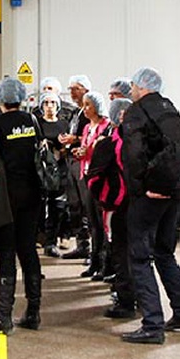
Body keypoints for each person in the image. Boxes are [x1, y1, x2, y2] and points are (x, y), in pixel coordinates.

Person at [120, 67, 180, 345]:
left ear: (141, 87)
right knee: (165, 252)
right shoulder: (171, 110)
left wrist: (142, 187)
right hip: (176, 192)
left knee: (139, 257)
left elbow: (134, 154)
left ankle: (152, 324)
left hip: (150, 195)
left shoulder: (137, 112)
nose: (131, 89)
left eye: (133, 85)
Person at [0, 78, 43, 335]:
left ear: (0, 99)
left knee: (6, 254)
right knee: (28, 252)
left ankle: (3, 317)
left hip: (6, 197)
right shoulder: (32, 121)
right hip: (33, 194)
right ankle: (33, 312)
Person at [84, 98, 135, 318]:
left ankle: (125, 301)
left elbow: (94, 177)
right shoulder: (140, 141)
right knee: (139, 255)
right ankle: (142, 298)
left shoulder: (108, 143)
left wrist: (102, 198)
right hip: (141, 205)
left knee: (121, 252)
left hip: (117, 205)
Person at [73, 91, 111, 280]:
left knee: (103, 223)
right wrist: (80, 152)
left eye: (88, 105)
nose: (85, 109)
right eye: (84, 105)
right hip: (87, 176)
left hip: (101, 180)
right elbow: (86, 149)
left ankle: (105, 263)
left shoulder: (106, 127)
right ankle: (94, 261)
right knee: (93, 224)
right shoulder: (87, 128)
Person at [58, 74, 93, 260]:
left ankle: (94, 249)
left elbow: (93, 138)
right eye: (70, 88)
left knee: (86, 205)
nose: (71, 92)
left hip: (83, 164)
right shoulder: (75, 113)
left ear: (85, 90)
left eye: (75, 88)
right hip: (72, 161)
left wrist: (76, 140)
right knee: (75, 205)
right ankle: (82, 244)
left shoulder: (91, 114)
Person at [36, 92, 69, 257]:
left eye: (53, 103)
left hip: (59, 169)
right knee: (40, 205)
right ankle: (39, 236)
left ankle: (52, 241)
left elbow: (68, 145)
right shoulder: (37, 124)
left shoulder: (64, 124)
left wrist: (62, 149)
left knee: (57, 207)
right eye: (46, 103)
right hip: (41, 170)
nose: (50, 106)